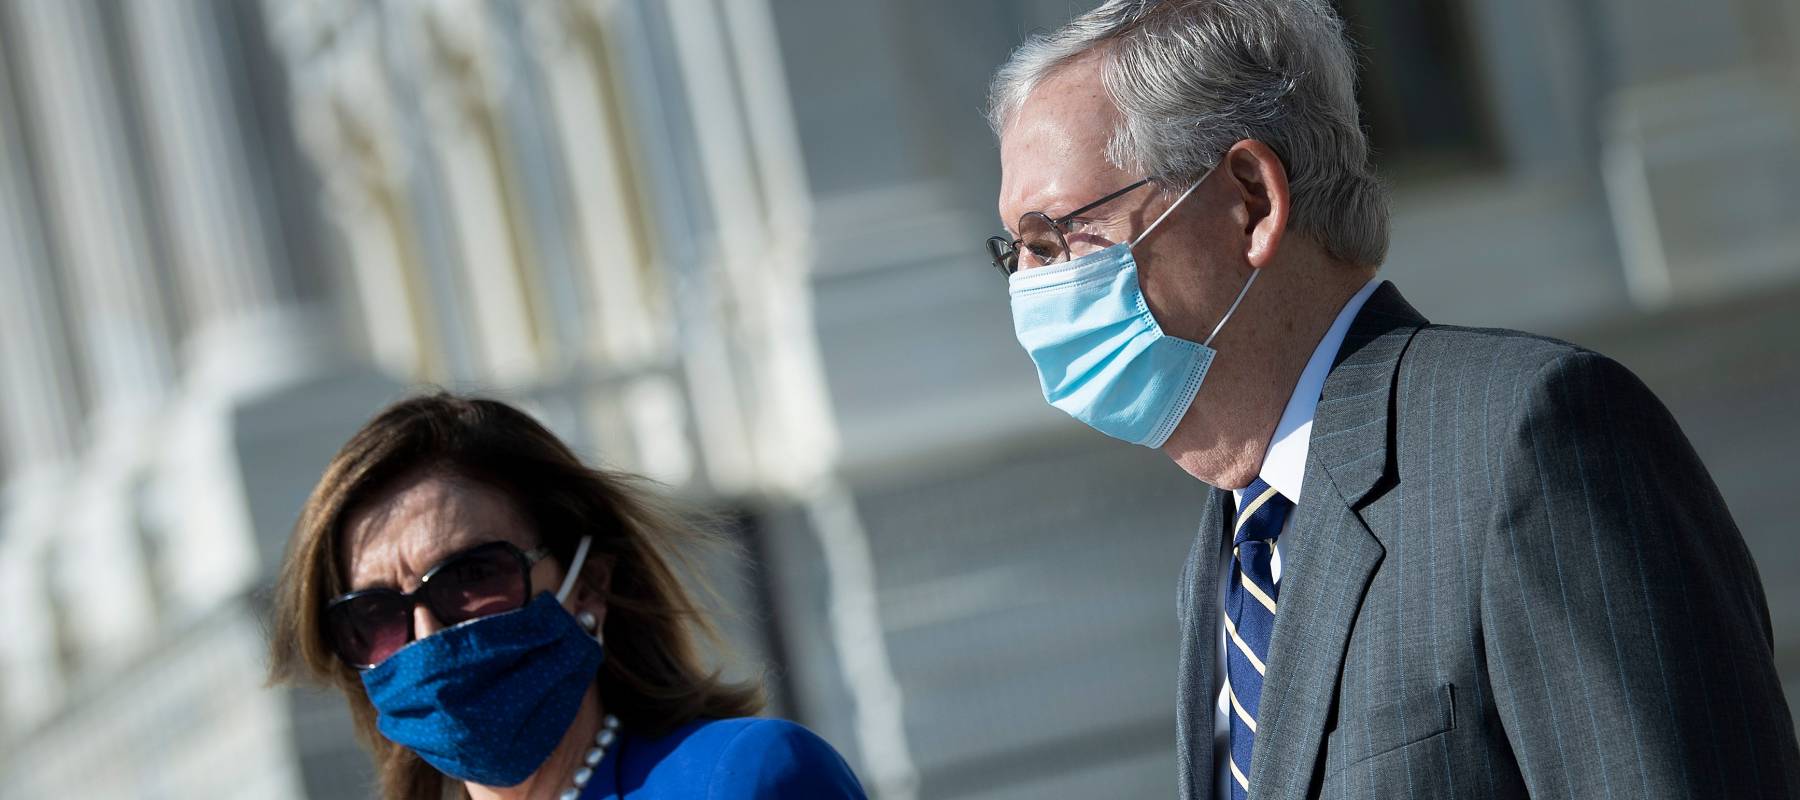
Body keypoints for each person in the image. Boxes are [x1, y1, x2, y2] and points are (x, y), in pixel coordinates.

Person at [983, 1, 1800, 798]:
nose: (1029, 285)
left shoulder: (1529, 440)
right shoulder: (1233, 548)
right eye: (1015, 252)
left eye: (1054, 238)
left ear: (1250, 202)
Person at [268, 393, 867, 800]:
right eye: (375, 615)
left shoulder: (740, 780)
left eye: (472, 576)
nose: (429, 638)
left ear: (589, 585)